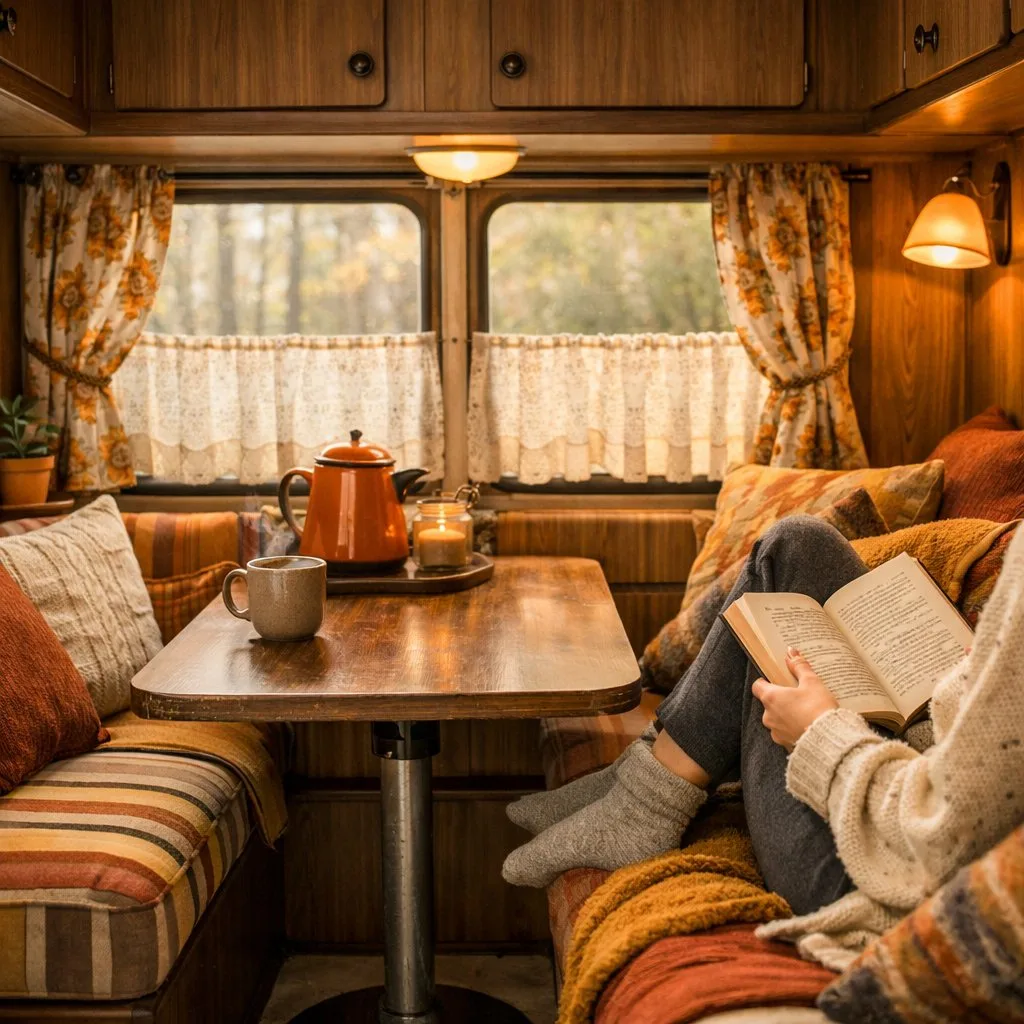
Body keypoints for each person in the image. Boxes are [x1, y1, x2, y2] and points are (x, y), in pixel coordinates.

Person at [502, 515, 1024, 970]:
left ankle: (643, 804)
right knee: (798, 545)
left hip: (884, 874)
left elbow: (944, 837)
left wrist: (822, 731)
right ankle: (635, 785)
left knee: (779, 573)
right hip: (908, 763)